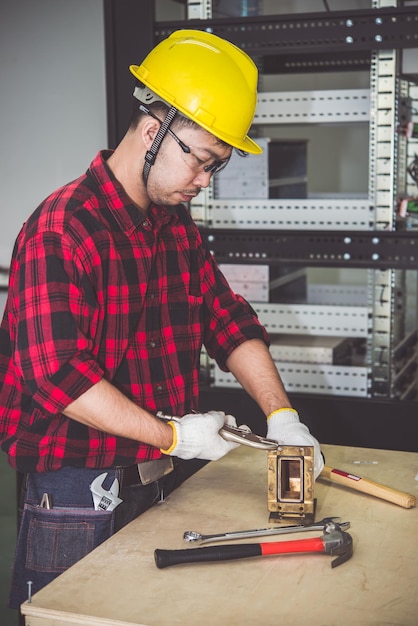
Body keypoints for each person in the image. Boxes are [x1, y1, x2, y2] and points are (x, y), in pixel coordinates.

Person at [0, 29, 324, 608]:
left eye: (216, 168)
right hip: (76, 499)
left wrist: (283, 416)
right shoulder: (61, 229)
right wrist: (173, 434)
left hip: (159, 481)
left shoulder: (174, 229)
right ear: (155, 133)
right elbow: (58, 377)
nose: (204, 182)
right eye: (201, 161)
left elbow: (227, 319)